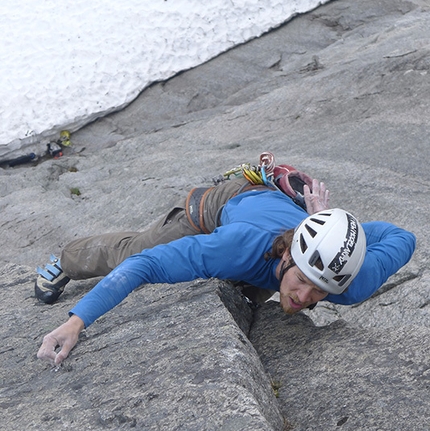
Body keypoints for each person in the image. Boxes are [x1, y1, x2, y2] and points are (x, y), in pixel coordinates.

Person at [36, 152, 416, 365]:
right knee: (133, 251)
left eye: (317, 293)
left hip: (277, 221)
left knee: (244, 295)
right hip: (222, 207)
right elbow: (145, 267)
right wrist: (77, 321)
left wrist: (339, 232)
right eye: (301, 281)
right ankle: (66, 259)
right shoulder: (237, 246)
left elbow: (402, 236)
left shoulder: (346, 280)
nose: (304, 297)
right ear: (288, 255)